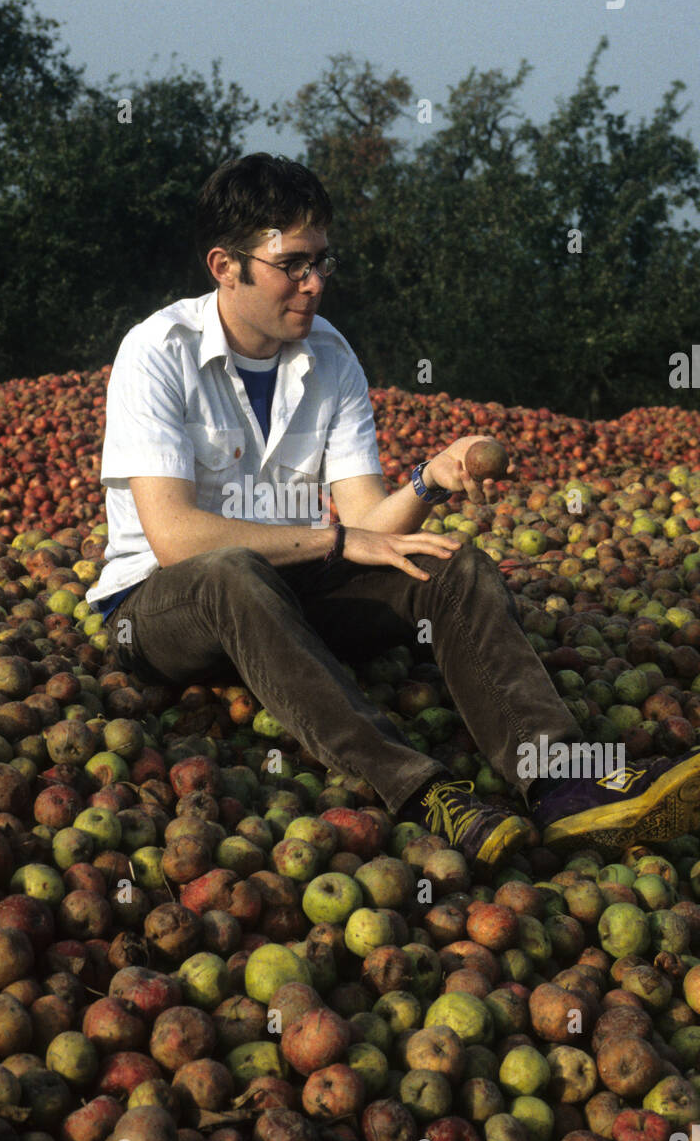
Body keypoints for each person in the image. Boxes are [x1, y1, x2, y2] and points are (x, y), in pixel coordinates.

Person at [86, 152, 700, 874]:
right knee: (232, 573)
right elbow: (177, 536)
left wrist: (430, 480)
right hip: (160, 607)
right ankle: (420, 790)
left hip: (285, 597)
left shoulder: (332, 357)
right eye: (294, 264)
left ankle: (563, 780)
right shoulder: (157, 354)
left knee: (450, 565)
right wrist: (337, 541)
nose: (315, 283)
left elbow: (367, 524)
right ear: (226, 265)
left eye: (323, 261)